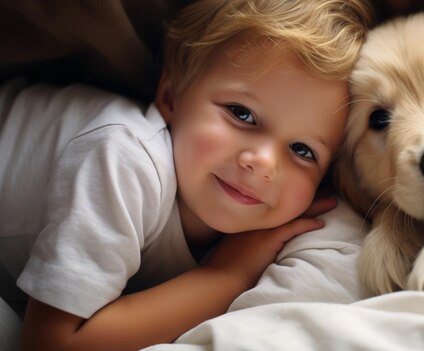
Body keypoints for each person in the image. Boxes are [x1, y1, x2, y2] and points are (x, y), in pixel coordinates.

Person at [0, 0, 373, 349]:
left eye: (302, 150)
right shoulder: (124, 160)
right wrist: (229, 274)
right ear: (172, 96)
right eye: (241, 114)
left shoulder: (264, 222)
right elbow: (50, 343)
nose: (263, 163)